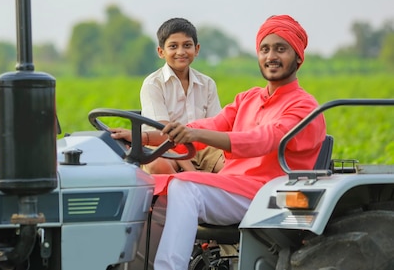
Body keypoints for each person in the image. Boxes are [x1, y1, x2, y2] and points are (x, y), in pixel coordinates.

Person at [119, 14, 327, 270]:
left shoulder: (303, 105)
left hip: (271, 193)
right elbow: (208, 125)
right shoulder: (249, 98)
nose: (271, 56)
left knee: (186, 188)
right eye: (265, 49)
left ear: (297, 56)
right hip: (237, 185)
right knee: (152, 195)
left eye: (280, 49)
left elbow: (262, 140)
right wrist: (141, 136)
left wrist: (196, 136)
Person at [109, 17, 223, 173]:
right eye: (173, 46)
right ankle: (179, 194)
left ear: (196, 49)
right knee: (157, 165)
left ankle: (221, 194)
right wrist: (190, 169)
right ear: (161, 52)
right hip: (162, 147)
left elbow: (215, 128)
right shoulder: (153, 84)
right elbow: (163, 132)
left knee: (236, 164)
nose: (181, 52)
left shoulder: (207, 84)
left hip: (202, 148)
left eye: (187, 45)